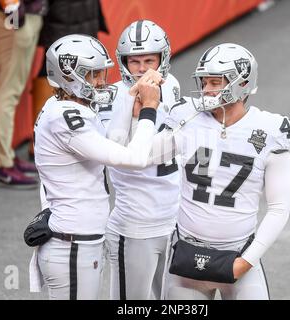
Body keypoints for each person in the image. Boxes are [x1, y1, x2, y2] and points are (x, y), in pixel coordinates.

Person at [148, 43, 290, 300]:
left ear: (241, 83)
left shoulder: (269, 130)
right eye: (204, 82)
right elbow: (142, 157)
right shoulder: (188, 117)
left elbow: (279, 207)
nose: (206, 90)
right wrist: (145, 109)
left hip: (239, 254)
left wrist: (245, 261)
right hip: (187, 255)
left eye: (215, 82)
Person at [31, 34, 163, 300]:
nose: (101, 81)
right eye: (93, 75)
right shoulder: (65, 118)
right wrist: (149, 109)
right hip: (72, 243)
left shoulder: (63, 106)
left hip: (77, 239)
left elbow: (111, 141)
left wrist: (130, 101)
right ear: (69, 76)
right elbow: (133, 159)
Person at [103, 20, 181, 300]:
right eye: (134, 61)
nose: (141, 68)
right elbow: (124, 156)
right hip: (136, 222)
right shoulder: (111, 97)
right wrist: (139, 113)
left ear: (163, 58)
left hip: (175, 218)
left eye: (149, 60)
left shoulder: (171, 84)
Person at [29, 0, 108, 159]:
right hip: (62, 16)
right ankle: (42, 138)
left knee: (85, 67)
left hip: (82, 13)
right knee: (54, 69)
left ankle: (80, 131)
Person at [0, 0, 45, 188]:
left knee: (11, 89)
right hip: (14, 14)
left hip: (21, 13)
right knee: (8, 90)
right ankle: (0, 163)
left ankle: (4, 157)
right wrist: (14, 13)